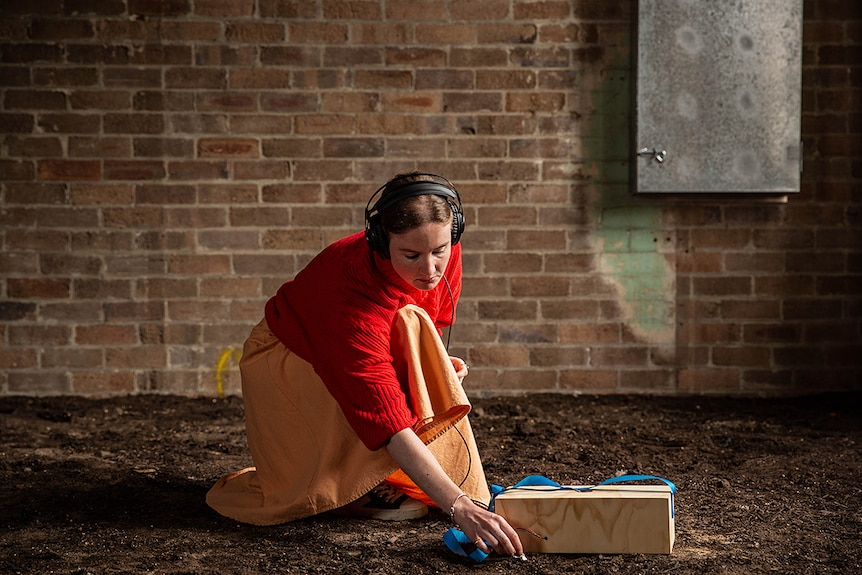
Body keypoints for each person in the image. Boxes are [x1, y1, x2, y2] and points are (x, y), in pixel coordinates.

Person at [207, 172, 523, 558]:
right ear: (379, 240)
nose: (430, 269)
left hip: (354, 345)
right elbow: (385, 419)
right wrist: (459, 506)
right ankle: (354, 486)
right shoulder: (350, 300)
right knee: (376, 402)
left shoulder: (439, 248)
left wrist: (430, 367)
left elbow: (429, 322)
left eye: (440, 250)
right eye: (411, 255)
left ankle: (381, 473)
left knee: (411, 324)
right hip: (289, 362)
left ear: (452, 232)